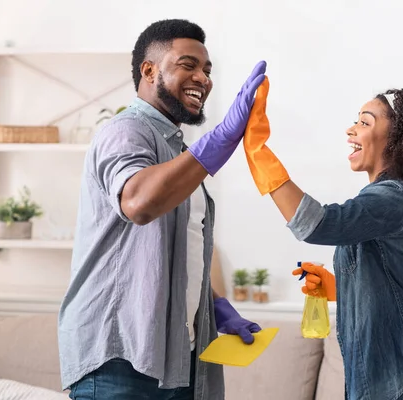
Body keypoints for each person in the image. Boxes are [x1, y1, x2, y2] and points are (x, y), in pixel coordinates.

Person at [58, 19, 264, 400]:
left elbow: (180, 247)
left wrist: (216, 305)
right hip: (121, 359)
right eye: (188, 65)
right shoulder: (125, 131)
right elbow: (138, 203)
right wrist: (223, 138)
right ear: (149, 71)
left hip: (177, 355)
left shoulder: (178, 150)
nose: (202, 78)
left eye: (207, 70)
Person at [243, 77, 403, 399]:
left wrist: (258, 152)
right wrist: (338, 287)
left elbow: (315, 224)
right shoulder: (386, 201)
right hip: (394, 384)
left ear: (397, 138)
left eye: (364, 122)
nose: (350, 130)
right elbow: (395, 285)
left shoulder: (394, 199)